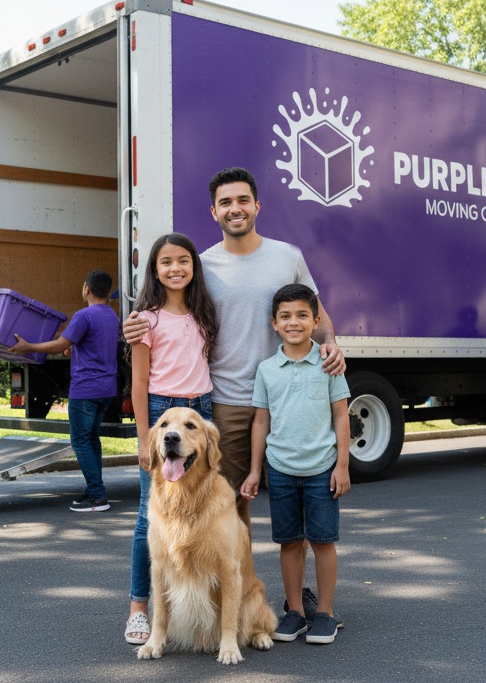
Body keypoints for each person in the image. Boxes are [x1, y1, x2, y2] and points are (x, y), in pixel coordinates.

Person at [124, 167, 345, 523]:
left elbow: (315, 315)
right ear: (214, 212)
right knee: (227, 506)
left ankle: (296, 581)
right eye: (225, 202)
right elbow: (169, 310)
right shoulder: (203, 266)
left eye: (243, 200)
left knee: (298, 504)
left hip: (289, 397)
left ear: (257, 205)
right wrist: (136, 324)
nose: (235, 208)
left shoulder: (288, 257)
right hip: (228, 402)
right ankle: (237, 580)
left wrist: (331, 342)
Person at [123, 232, 221, 645]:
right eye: (166, 262)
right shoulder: (145, 318)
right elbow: (140, 383)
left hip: (201, 410)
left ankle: (201, 604)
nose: (175, 268)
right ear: (154, 269)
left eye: (183, 260)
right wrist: (147, 440)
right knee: (152, 514)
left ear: (194, 266)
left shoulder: (204, 313)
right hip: (163, 413)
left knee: (203, 509)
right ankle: (139, 609)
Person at [240, 284, 350, 645]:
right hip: (281, 469)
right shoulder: (267, 369)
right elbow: (260, 421)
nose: (294, 322)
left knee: (322, 542)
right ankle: (295, 612)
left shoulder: (329, 361)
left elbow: (341, 417)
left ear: (315, 320)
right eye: (285, 316)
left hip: (322, 468)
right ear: (274, 323)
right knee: (289, 542)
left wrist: (343, 465)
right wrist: (256, 470)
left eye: (303, 315)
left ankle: (326, 614)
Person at [8, 270, 120, 511]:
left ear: (86, 289)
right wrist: (75, 349)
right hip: (106, 389)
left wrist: (29, 347)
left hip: (86, 389)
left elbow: (60, 345)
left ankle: (98, 496)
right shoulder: (112, 316)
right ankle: (93, 489)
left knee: (80, 441)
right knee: (91, 439)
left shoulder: (83, 316)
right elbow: (90, 345)